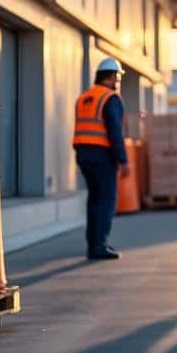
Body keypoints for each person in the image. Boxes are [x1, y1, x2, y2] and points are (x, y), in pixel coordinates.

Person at [73, 57, 130, 261]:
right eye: (117, 77)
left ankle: (94, 243)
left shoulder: (84, 97)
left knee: (95, 199)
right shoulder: (110, 98)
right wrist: (123, 160)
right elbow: (115, 132)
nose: (118, 81)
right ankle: (99, 246)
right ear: (112, 77)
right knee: (106, 200)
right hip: (102, 155)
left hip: (83, 154)